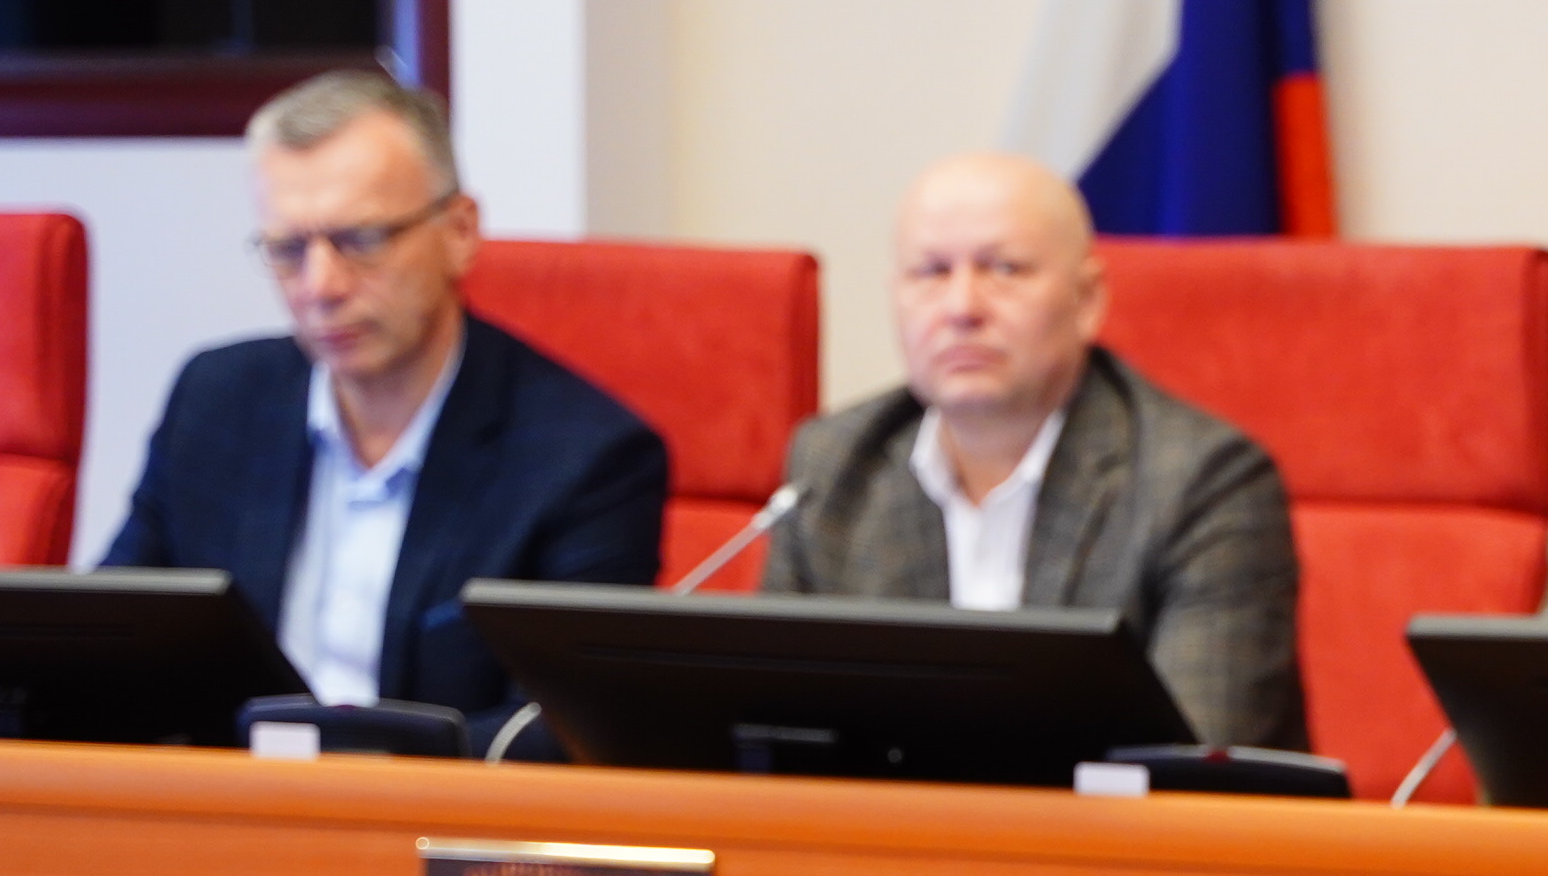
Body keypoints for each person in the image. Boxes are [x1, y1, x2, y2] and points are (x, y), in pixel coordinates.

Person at [102, 68, 667, 733]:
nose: (322, 286)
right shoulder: (215, 401)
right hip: (233, 791)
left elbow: (553, 736)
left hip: (435, 798)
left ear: (459, 232)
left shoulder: (587, 459)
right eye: (288, 250)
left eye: (362, 240)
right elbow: (114, 640)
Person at [759, 152, 1303, 748]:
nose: (962, 308)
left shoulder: (1204, 482)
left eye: (1005, 269)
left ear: (1087, 299)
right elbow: (772, 734)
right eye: (931, 272)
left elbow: (1194, 759)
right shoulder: (833, 468)